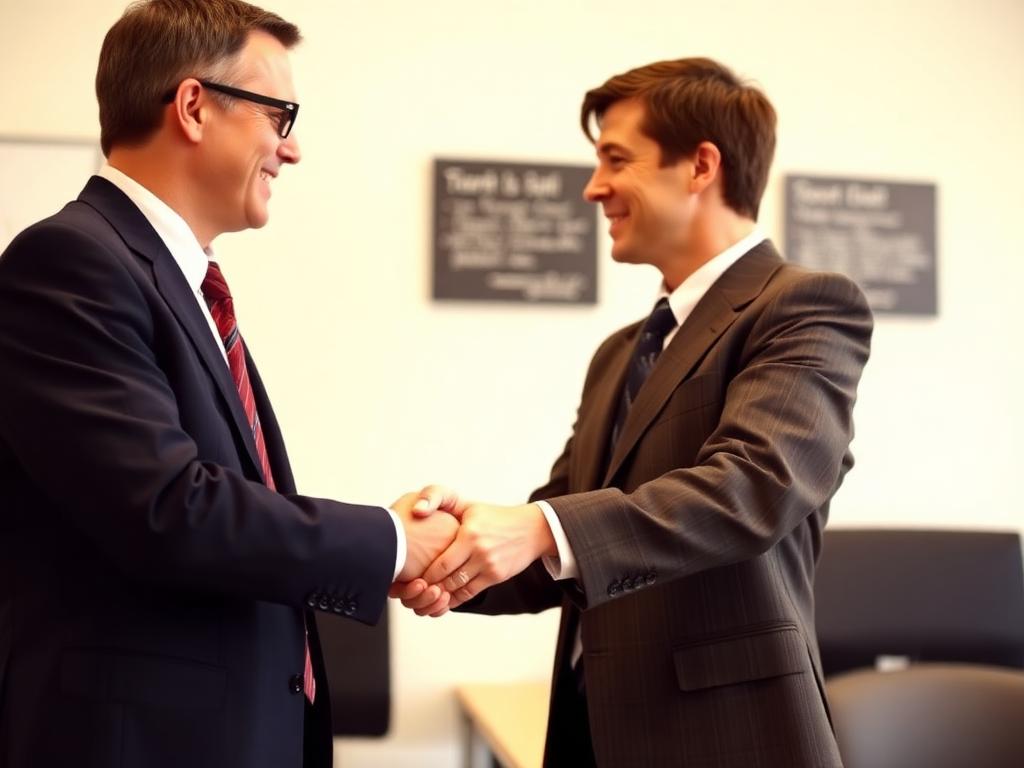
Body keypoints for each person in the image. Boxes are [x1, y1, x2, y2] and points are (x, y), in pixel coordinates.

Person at [0, 2, 457, 767]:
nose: (294, 148)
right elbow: (169, 508)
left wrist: (389, 542)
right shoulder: (69, 263)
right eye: (280, 115)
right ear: (193, 106)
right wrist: (389, 542)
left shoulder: (173, 279)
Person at [396, 57, 873, 766]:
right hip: (595, 733)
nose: (593, 189)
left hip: (730, 737)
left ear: (700, 166)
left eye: (615, 160)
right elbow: (563, 534)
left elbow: (753, 488)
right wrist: (428, 552)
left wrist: (537, 527)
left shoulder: (803, 306)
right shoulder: (620, 353)